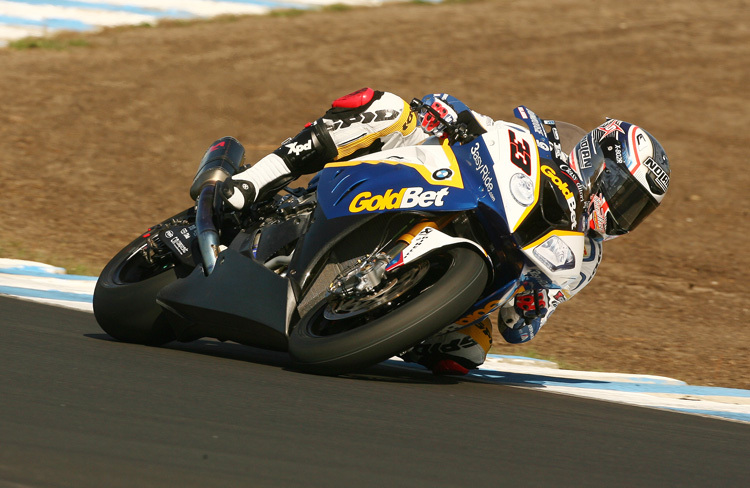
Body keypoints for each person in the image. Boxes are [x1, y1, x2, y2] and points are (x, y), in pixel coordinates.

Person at [217, 88, 671, 375]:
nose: (622, 212)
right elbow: (484, 126)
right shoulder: (543, 142)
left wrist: (530, 307)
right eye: (624, 193)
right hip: (436, 181)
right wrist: (448, 113)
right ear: (597, 160)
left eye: (636, 209)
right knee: (388, 108)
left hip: (481, 267)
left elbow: (518, 328)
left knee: (467, 353)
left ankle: (376, 318)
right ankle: (253, 181)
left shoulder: (583, 257)